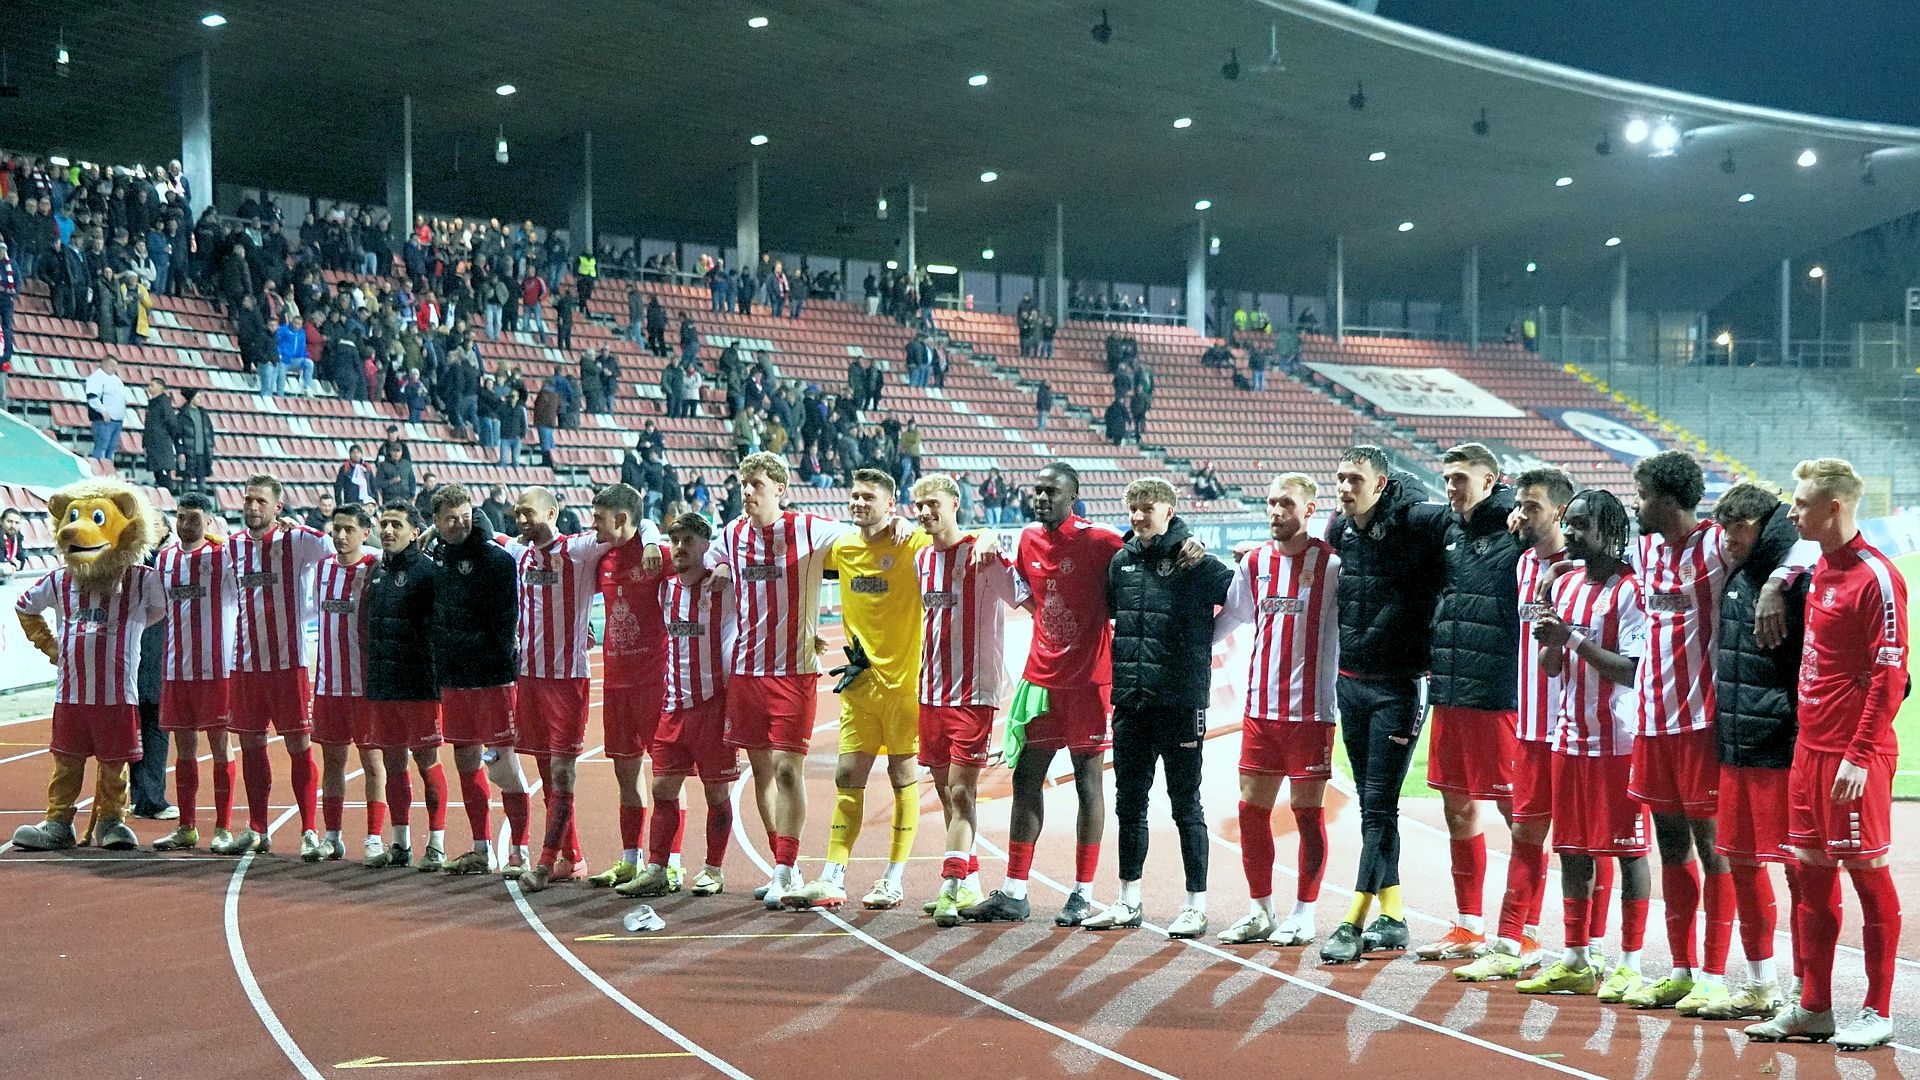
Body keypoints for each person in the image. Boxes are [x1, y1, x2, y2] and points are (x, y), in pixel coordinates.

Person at [1619, 450, 1814, 1012]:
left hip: (1703, 720)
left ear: (1667, 498)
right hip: (1652, 720)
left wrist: (1775, 583)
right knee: (1671, 844)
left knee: (1717, 849)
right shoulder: (1643, 549)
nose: (1637, 504)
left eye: (1643, 494)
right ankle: (1681, 969)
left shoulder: (1716, 544)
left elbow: (1795, 544)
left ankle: (1716, 974)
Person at [963, 463, 1198, 927]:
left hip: (1089, 683)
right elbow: (1023, 589)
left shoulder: (1100, 540)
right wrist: (985, 533)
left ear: (1073, 497)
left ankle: (1082, 893)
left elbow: (1151, 538)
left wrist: (1187, 537)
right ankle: (1014, 891)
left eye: (1052, 491)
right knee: (1025, 779)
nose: (1041, 497)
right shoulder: (1028, 538)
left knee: (1087, 783)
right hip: (1041, 680)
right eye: (1037, 490)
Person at [1746, 458, 1908, 1051]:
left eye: (1801, 503)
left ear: (1833, 507)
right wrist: (1774, 582)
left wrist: (1859, 755)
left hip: (1853, 757)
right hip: (1809, 750)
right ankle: (1814, 1006)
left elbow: (1890, 674)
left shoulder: (1877, 577)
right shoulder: (1818, 568)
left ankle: (1877, 1010)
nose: (1791, 513)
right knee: (1809, 879)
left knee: (1867, 873)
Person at [705, 453, 879, 908]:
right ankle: (786, 867)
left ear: (779, 489)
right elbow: (709, 555)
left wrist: (893, 524)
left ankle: (784, 869)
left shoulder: (808, 529)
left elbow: (861, 535)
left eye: (756, 484)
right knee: (761, 771)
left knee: (787, 768)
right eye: (743, 484)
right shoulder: (731, 534)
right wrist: (720, 565)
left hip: (793, 672)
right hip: (746, 671)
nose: (747, 491)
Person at [1455, 468, 1600, 985]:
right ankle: (1512, 942)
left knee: (1587, 841)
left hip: (1582, 728)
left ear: (1560, 512)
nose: (1519, 514)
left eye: (1531, 506)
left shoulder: (1588, 571)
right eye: (1518, 505)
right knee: (1525, 832)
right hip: (1533, 724)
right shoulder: (1522, 564)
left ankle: (1592, 949)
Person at [1517, 488, 1654, 996]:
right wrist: (1550, 644)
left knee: (1628, 852)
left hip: (1617, 742)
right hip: (1569, 738)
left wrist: (1571, 639)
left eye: (1581, 525)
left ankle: (1630, 962)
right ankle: (1575, 957)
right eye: (1569, 523)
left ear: (1609, 531)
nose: (1571, 533)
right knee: (1572, 850)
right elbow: (1552, 667)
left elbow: (1632, 670)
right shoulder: (1567, 584)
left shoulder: (1631, 591)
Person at [1083, 479, 1233, 937]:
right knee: (1129, 803)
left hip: (1181, 703)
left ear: (1169, 511)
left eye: (1146, 508)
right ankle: (1128, 900)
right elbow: (1115, 612)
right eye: (1132, 508)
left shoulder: (1196, 561)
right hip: (1131, 701)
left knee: (1186, 803)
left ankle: (1195, 905)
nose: (1137, 516)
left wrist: (1200, 648)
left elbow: (1241, 598)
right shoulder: (1121, 562)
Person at [784, 470, 938, 912]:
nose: (858, 503)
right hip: (859, 685)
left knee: (902, 778)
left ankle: (893, 879)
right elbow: (802, 573)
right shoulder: (843, 548)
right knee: (847, 776)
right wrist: (810, 628)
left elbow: (954, 538)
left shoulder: (912, 544)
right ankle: (833, 876)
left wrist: (912, 523)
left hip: (904, 687)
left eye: (869, 497)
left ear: (890, 504)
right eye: (854, 496)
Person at [1318, 446, 1448, 963]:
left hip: (1399, 686)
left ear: (1380, 483)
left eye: (1355, 479)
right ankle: (1393, 919)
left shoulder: (1413, 521)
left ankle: (1351, 922)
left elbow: (1461, 520)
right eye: (1340, 478)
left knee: (1377, 805)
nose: (1344, 487)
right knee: (1375, 808)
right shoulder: (1339, 528)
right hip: (1350, 682)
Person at [510, 486, 662, 892]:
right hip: (529, 678)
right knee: (547, 772)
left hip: (567, 681)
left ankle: (544, 863)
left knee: (563, 773)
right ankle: (572, 857)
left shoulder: (579, 549)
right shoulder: (519, 553)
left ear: (552, 513)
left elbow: (635, 522)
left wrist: (650, 538)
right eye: (517, 513)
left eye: (528, 512)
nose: (521, 520)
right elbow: (484, 535)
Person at [1212, 474, 1341, 947]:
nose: (1276, 512)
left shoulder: (1333, 565)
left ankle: (1304, 913)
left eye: (1286, 503)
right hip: (1260, 709)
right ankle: (1260, 910)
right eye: (1270, 503)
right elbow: (1233, 616)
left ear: (1309, 510)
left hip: (1311, 712)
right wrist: (1188, 648)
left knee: (1307, 813)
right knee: (1251, 811)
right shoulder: (1254, 562)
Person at [1696, 482, 1807, 1021]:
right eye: (1723, 527)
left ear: (1764, 524)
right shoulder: (1741, 574)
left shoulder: (1798, 579)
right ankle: (1762, 983)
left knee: (1801, 869)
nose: (1727, 538)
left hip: (1782, 747)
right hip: (1737, 744)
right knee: (1740, 861)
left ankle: (1808, 989)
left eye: (1737, 527)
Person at [1416, 443, 1527, 962]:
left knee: (1519, 814)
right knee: (1457, 809)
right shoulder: (1449, 529)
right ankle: (1469, 926)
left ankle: (1521, 931)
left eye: (1461, 478)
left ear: (1490, 480)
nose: (1451, 487)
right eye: (1447, 478)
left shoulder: (1517, 529)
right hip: (1451, 689)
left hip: (1499, 695)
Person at [910, 474, 1022, 925]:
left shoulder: (983, 553)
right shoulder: (921, 558)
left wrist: (992, 537)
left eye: (933, 503)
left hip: (974, 693)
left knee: (961, 791)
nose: (925, 512)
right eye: (919, 505)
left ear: (955, 503)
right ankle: (970, 881)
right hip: (930, 692)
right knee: (945, 792)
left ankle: (950, 886)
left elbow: (1023, 599)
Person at [211, 475, 332, 859]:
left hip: (288, 663)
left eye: (260, 501)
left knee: (299, 745)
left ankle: (309, 830)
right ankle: (258, 828)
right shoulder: (233, 546)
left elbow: (330, 547)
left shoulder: (295, 541)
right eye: (248, 499)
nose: (252, 507)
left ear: (277, 507)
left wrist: (300, 525)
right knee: (251, 745)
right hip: (247, 664)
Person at [625, 513, 739, 898]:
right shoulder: (666, 589)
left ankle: (713, 869)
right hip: (673, 706)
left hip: (713, 705)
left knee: (716, 794)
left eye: (688, 541)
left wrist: (724, 562)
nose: (679, 548)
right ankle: (657, 868)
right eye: (675, 541)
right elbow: (642, 526)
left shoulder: (725, 587)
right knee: (662, 788)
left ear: (707, 545)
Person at [425, 485, 532, 877]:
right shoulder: (435, 558)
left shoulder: (495, 559)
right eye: (450, 518)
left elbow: (505, 624)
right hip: (454, 680)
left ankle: (519, 850)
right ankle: (480, 848)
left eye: (465, 515)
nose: (460, 523)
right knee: (466, 759)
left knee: (503, 766)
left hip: (491, 680)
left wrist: (489, 659)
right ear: (436, 522)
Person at [582, 485, 677, 893]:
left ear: (621, 519)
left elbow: (706, 558)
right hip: (616, 683)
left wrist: (652, 535)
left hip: (654, 682)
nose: (593, 524)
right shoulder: (602, 556)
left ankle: (671, 863)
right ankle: (630, 860)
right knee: (625, 773)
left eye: (599, 518)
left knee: (666, 778)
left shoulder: (658, 555)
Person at [362, 501, 448, 870]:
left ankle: (437, 844)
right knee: (393, 763)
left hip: (419, 685)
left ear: (415, 532)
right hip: (384, 684)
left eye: (396, 524)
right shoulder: (377, 571)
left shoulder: (428, 572)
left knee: (427, 762)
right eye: (384, 524)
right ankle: (400, 844)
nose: (388, 531)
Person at [150, 494, 239, 852]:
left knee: (220, 746)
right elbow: (156, 606)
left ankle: (223, 828)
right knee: (184, 749)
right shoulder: (165, 559)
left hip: (216, 668)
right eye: (181, 517)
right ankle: (186, 826)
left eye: (194, 519)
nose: (186, 525)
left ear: (209, 522)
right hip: (177, 669)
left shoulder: (223, 557)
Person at [307, 503, 391, 863]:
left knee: (372, 763)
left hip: (363, 687)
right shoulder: (323, 568)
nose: (341, 536)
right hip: (329, 686)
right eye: (336, 528)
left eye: (349, 530)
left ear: (365, 533)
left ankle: (374, 838)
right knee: (332, 763)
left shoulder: (375, 568)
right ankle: (332, 836)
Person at [84, 356, 128, 461]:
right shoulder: (96, 378)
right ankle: (98, 467)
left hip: (117, 420)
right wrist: (102, 411)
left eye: (115, 366)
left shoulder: (117, 380)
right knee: (101, 447)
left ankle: (108, 468)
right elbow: (92, 397)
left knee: (111, 449)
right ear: (104, 364)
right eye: (111, 365)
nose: (114, 368)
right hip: (104, 420)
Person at [176, 389, 216, 493]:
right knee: (186, 481)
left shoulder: (204, 414)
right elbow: (178, 436)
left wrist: (211, 447)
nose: (200, 399)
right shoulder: (182, 416)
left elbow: (210, 432)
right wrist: (180, 452)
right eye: (198, 397)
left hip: (202, 454)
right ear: (192, 399)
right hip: (188, 454)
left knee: (202, 482)